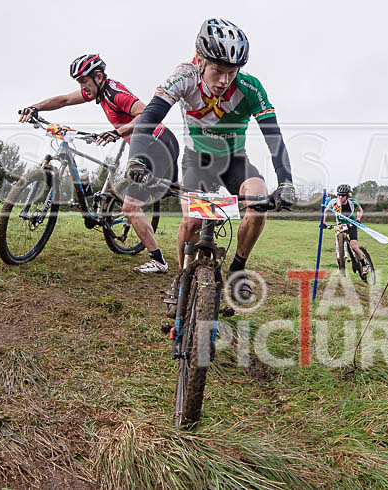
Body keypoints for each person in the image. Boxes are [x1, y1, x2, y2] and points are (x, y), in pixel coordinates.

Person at [125, 18, 295, 300]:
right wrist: (137, 160)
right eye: (218, 70)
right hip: (197, 161)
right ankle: (181, 278)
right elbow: (149, 118)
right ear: (200, 60)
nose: (224, 80)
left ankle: (237, 269)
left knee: (258, 200)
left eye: (232, 72)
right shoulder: (183, 77)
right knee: (191, 221)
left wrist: (286, 181)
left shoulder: (250, 88)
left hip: (234, 160)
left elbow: (273, 136)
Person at [18, 54, 179, 274]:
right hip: (148, 145)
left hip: (156, 145)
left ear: (99, 77)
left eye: (84, 81)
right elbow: (64, 100)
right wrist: (34, 108)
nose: (82, 87)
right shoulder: (97, 91)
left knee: (131, 207)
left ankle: (159, 261)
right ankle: (200, 211)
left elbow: (145, 114)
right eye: (79, 83)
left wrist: (116, 132)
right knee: (176, 189)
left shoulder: (115, 93)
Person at [322, 184, 369, 274]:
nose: (340, 197)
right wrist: (323, 223)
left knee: (354, 246)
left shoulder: (352, 202)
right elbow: (326, 211)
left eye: (343, 195)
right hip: (340, 226)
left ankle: (364, 265)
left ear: (347, 196)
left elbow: (360, 210)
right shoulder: (333, 202)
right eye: (338, 194)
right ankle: (340, 268)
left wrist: (358, 219)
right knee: (338, 252)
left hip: (351, 225)